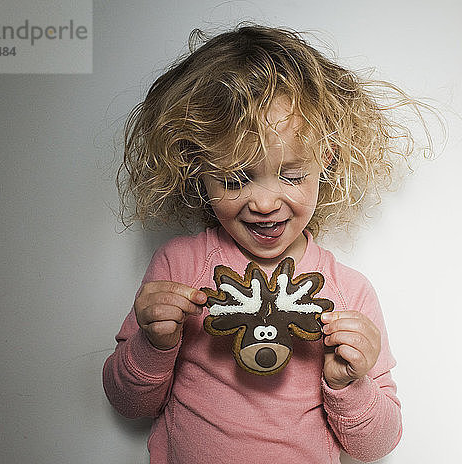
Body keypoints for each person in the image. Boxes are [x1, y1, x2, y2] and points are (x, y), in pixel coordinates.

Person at [103, 23, 433, 463]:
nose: (263, 202)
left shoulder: (348, 293)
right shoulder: (180, 266)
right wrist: (154, 345)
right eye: (235, 179)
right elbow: (129, 404)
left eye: (291, 175)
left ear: (327, 160)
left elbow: (376, 446)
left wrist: (348, 384)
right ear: (197, 169)